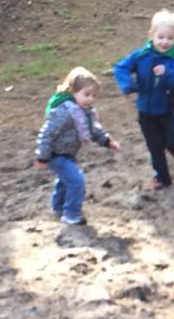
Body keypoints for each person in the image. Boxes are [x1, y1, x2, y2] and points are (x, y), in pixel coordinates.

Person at [34, 67, 121, 227]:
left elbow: (93, 130)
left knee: (65, 181)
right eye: (86, 94)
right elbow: (46, 133)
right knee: (77, 181)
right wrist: (42, 156)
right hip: (56, 154)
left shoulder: (86, 112)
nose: (90, 99)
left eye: (94, 95)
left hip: (68, 153)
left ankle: (58, 207)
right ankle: (71, 214)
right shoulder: (64, 112)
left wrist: (107, 141)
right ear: (73, 91)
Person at [113, 9, 174, 190]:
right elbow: (120, 68)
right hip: (145, 110)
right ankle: (162, 177)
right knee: (155, 146)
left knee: (172, 140)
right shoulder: (141, 55)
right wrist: (129, 87)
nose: (165, 42)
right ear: (151, 35)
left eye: (169, 38)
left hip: (166, 109)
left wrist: (166, 73)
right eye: (160, 37)